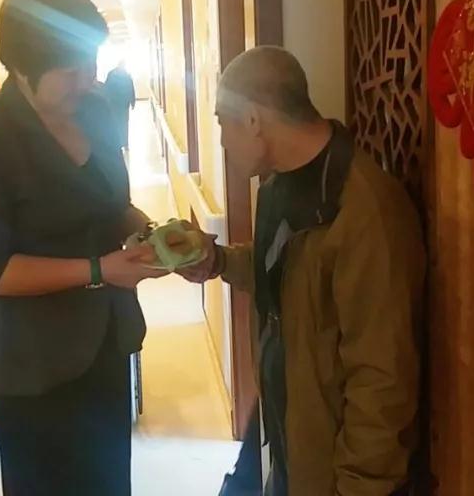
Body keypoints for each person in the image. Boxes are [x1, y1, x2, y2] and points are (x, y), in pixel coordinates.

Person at [0, 0, 165, 496]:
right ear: (22, 67)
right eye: (71, 70)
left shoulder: (96, 110)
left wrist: (154, 235)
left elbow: (111, 204)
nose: (87, 80)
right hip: (31, 361)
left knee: (109, 484)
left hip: (105, 344)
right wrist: (98, 270)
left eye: (91, 63)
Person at [179, 46, 425, 495]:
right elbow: (291, 278)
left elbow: (382, 381)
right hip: (282, 428)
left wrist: (359, 489)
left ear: (253, 119)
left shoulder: (365, 211)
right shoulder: (277, 186)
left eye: (222, 122)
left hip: (328, 465)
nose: (222, 142)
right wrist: (219, 261)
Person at [103, 62, 136, 150]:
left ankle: (120, 144)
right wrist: (132, 101)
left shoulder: (112, 74)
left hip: (116, 103)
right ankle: (124, 144)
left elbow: (106, 88)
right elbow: (131, 88)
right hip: (122, 103)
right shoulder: (126, 75)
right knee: (123, 124)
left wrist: (132, 101)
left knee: (118, 123)